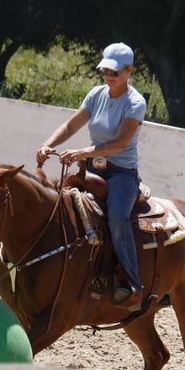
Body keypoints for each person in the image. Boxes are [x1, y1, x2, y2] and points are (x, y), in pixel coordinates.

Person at [36, 42, 146, 308]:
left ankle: (133, 284)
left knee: (118, 219)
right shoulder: (97, 94)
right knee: (57, 206)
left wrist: (81, 153)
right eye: (106, 70)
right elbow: (71, 124)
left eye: (116, 71)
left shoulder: (135, 103)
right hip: (92, 169)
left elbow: (119, 144)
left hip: (121, 173)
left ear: (130, 70)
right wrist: (48, 144)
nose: (109, 75)